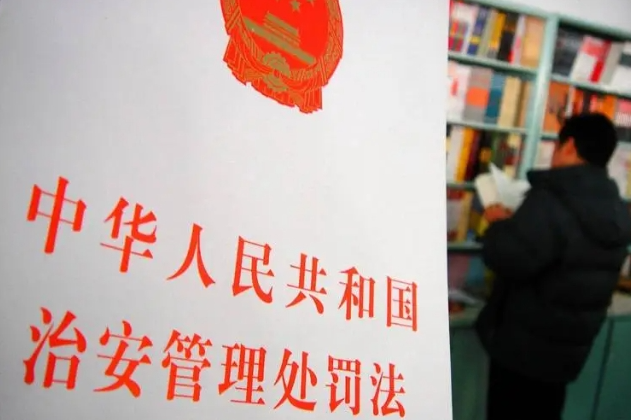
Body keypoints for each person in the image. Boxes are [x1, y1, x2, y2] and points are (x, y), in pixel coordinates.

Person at [475, 112, 631, 420]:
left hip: (524, 348)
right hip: (567, 351)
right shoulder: (615, 206)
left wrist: (498, 224)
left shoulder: (553, 198)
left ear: (569, 146)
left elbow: (508, 258)